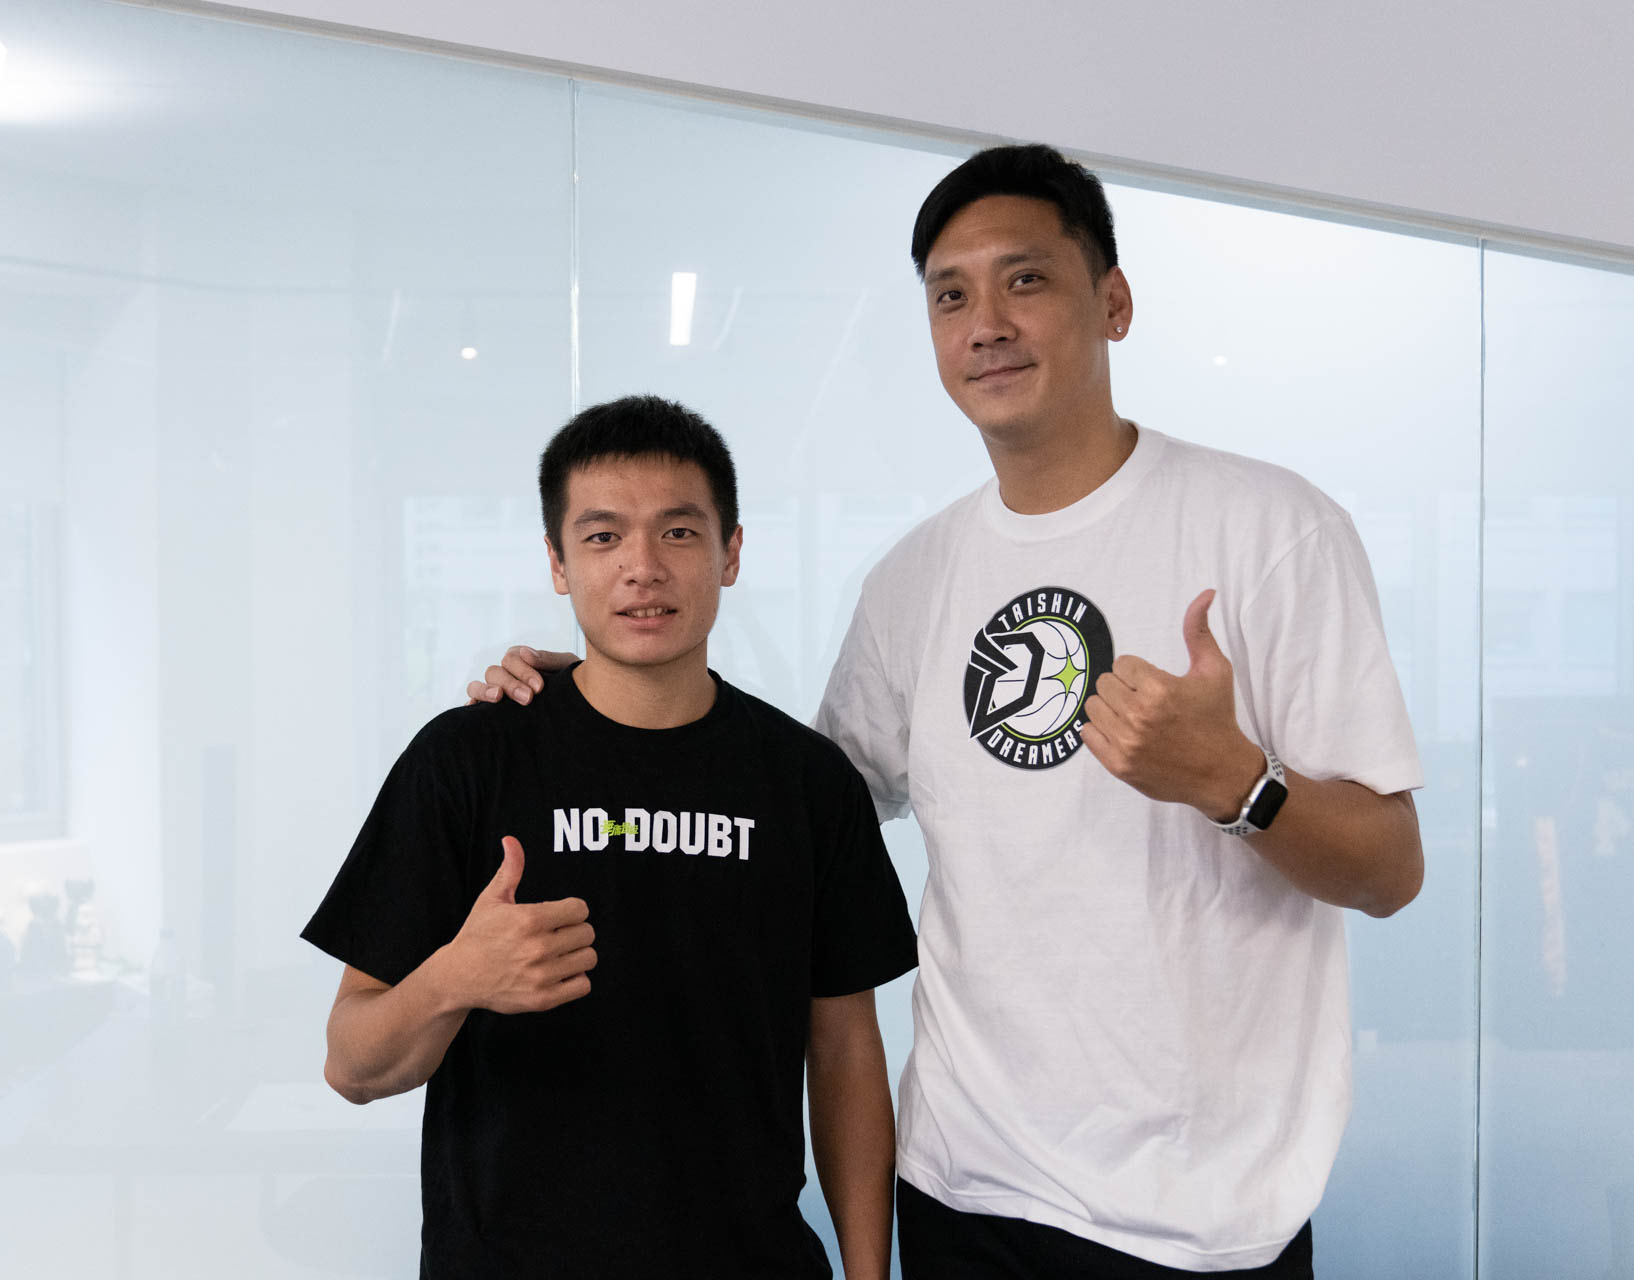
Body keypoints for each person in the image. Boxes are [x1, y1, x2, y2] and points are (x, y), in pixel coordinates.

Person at [475, 146, 1425, 1277]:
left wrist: (1236, 781)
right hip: (962, 1189)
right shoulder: (914, 582)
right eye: (951, 296)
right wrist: (595, 692)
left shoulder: (1271, 529)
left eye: (1026, 280)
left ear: (1114, 303)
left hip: (1206, 1216)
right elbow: (784, 808)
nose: (987, 325)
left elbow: (1389, 869)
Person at [306, 395, 918, 1279]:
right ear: (558, 564)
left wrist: (868, 1275)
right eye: (602, 537)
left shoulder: (808, 781)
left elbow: (847, 1052)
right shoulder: (466, 761)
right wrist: (457, 978)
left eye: (679, 532)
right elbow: (352, 1065)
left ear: (730, 553)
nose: (643, 568)